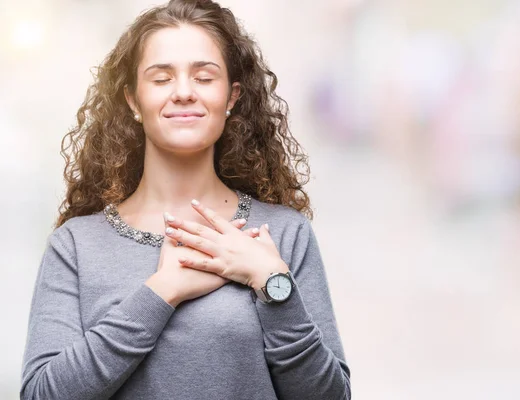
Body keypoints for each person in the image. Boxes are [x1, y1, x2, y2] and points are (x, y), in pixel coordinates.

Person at [19, 0, 351, 398]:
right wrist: (161, 292)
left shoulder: (283, 233)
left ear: (231, 97)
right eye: (161, 78)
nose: (183, 93)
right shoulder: (75, 245)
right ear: (132, 100)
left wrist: (272, 284)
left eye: (204, 77)